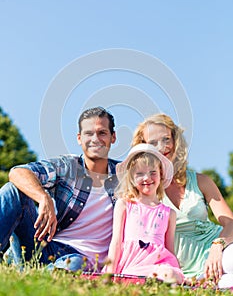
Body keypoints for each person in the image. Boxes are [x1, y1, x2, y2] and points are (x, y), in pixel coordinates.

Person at [0, 106, 119, 272]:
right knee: (13, 191)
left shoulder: (125, 175)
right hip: (47, 246)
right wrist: (43, 197)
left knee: (75, 263)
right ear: (79, 138)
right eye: (88, 133)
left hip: (78, 261)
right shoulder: (68, 166)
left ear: (113, 137)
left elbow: (161, 178)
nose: (95, 139)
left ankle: (31, 273)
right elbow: (18, 172)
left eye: (102, 133)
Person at [132, 113, 233, 287]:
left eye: (166, 139)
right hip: (182, 269)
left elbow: (230, 222)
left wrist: (217, 246)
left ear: (175, 142)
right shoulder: (142, 191)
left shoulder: (201, 181)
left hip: (219, 252)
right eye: (153, 143)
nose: (162, 147)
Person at [103, 143, 184, 284]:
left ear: (161, 175)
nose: (147, 178)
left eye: (153, 172)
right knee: (133, 278)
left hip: (159, 264)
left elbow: (169, 249)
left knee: (169, 273)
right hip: (132, 265)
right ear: (132, 178)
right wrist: (110, 273)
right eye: (140, 174)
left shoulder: (168, 213)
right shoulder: (125, 204)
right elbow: (116, 242)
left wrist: (178, 271)